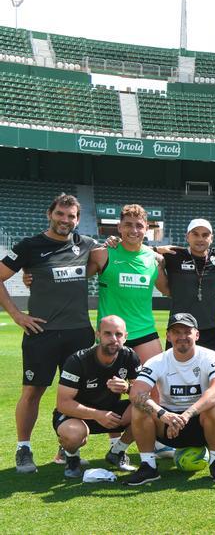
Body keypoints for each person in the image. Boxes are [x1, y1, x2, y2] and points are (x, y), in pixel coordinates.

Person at [0, 194, 99, 473]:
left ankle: (67, 450)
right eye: (60, 214)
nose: (65, 220)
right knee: (33, 391)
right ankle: (23, 449)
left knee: (76, 394)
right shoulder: (30, 246)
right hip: (41, 332)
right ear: (50, 214)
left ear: (78, 220)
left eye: (71, 216)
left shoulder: (86, 244)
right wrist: (18, 316)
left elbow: (103, 261)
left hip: (79, 333)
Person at [124, 313, 215, 484]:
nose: (182, 337)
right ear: (168, 335)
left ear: (197, 334)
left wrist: (187, 415)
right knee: (139, 407)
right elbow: (137, 392)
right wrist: (162, 414)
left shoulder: (212, 357)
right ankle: (148, 466)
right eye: (176, 332)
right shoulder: (157, 361)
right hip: (167, 425)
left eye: (187, 332)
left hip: (199, 422)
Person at [53, 315, 139, 478]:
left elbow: (143, 394)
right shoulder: (78, 360)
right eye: (107, 334)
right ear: (98, 334)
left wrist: (128, 388)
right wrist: (97, 414)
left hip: (110, 414)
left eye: (118, 334)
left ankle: (117, 451)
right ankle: (72, 457)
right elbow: (63, 403)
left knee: (146, 408)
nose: (113, 339)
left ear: (125, 337)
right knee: (74, 435)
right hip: (77, 416)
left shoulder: (129, 356)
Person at [89, 204, 168, 364]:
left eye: (139, 225)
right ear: (119, 227)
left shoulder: (154, 259)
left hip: (144, 332)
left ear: (146, 228)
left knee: (156, 385)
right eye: (128, 225)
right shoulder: (102, 255)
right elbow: (75, 278)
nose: (134, 230)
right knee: (107, 388)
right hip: (110, 334)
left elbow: (167, 290)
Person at [162, 218, 215, 352]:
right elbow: (138, 249)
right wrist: (155, 248)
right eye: (195, 234)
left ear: (211, 238)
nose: (200, 239)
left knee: (211, 372)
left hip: (209, 329)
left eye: (205, 235)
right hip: (179, 329)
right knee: (175, 372)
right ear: (187, 237)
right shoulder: (174, 255)